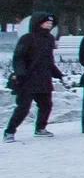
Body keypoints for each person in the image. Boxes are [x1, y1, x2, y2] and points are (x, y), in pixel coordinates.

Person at [4, 13, 63, 142]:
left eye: (51, 23)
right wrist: (20, 73)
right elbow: (18, 58)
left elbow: (48, 60)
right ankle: (9, 131)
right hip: (28, 79)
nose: (49, 25)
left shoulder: (49, 39)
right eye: (46, 22)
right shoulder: (27, 38)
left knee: (46, 105)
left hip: (44, 79)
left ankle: (40, 128)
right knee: (23, 107)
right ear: (38, 23)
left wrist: (57, 73)